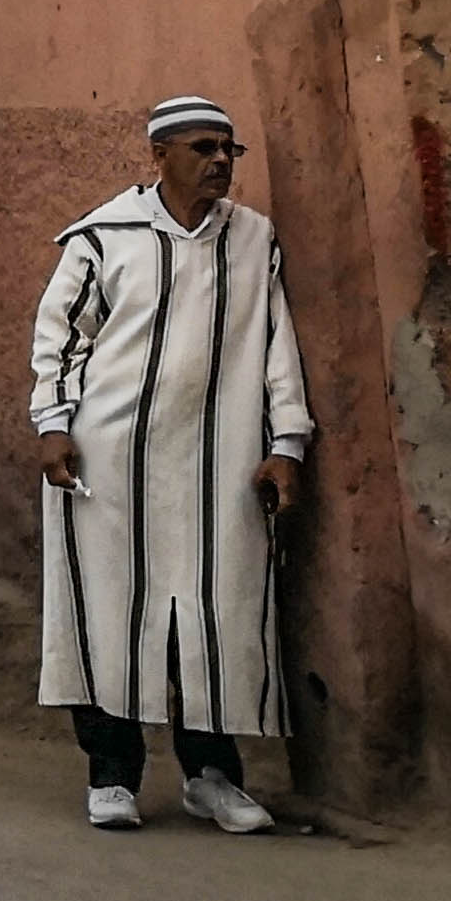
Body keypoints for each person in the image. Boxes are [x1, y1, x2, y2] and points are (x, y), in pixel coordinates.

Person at [29, 96, 312, 835]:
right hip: (110, 461)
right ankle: (112, 774)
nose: (218, 161)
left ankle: (211, 777)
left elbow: (277, 344)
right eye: (201, 147)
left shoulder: (252, 238)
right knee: (110, 612)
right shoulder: (104, 236)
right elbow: (59, 338)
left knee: (216, 615)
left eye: (227, 149)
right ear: (158, 156)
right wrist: (53, 426)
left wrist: (286, 443)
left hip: (219, 459)